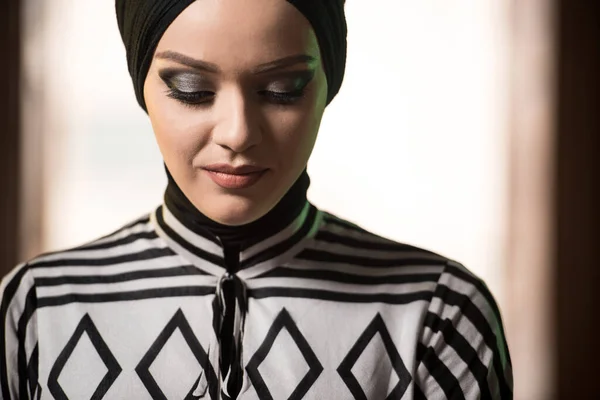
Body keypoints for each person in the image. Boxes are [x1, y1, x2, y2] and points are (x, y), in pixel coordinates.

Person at [0, 0, 513, 398]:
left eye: (283, 89)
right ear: (142, 86)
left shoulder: (438, 315)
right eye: (191, 87)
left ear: (328, 84)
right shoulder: (35, 312)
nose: (238, 133)